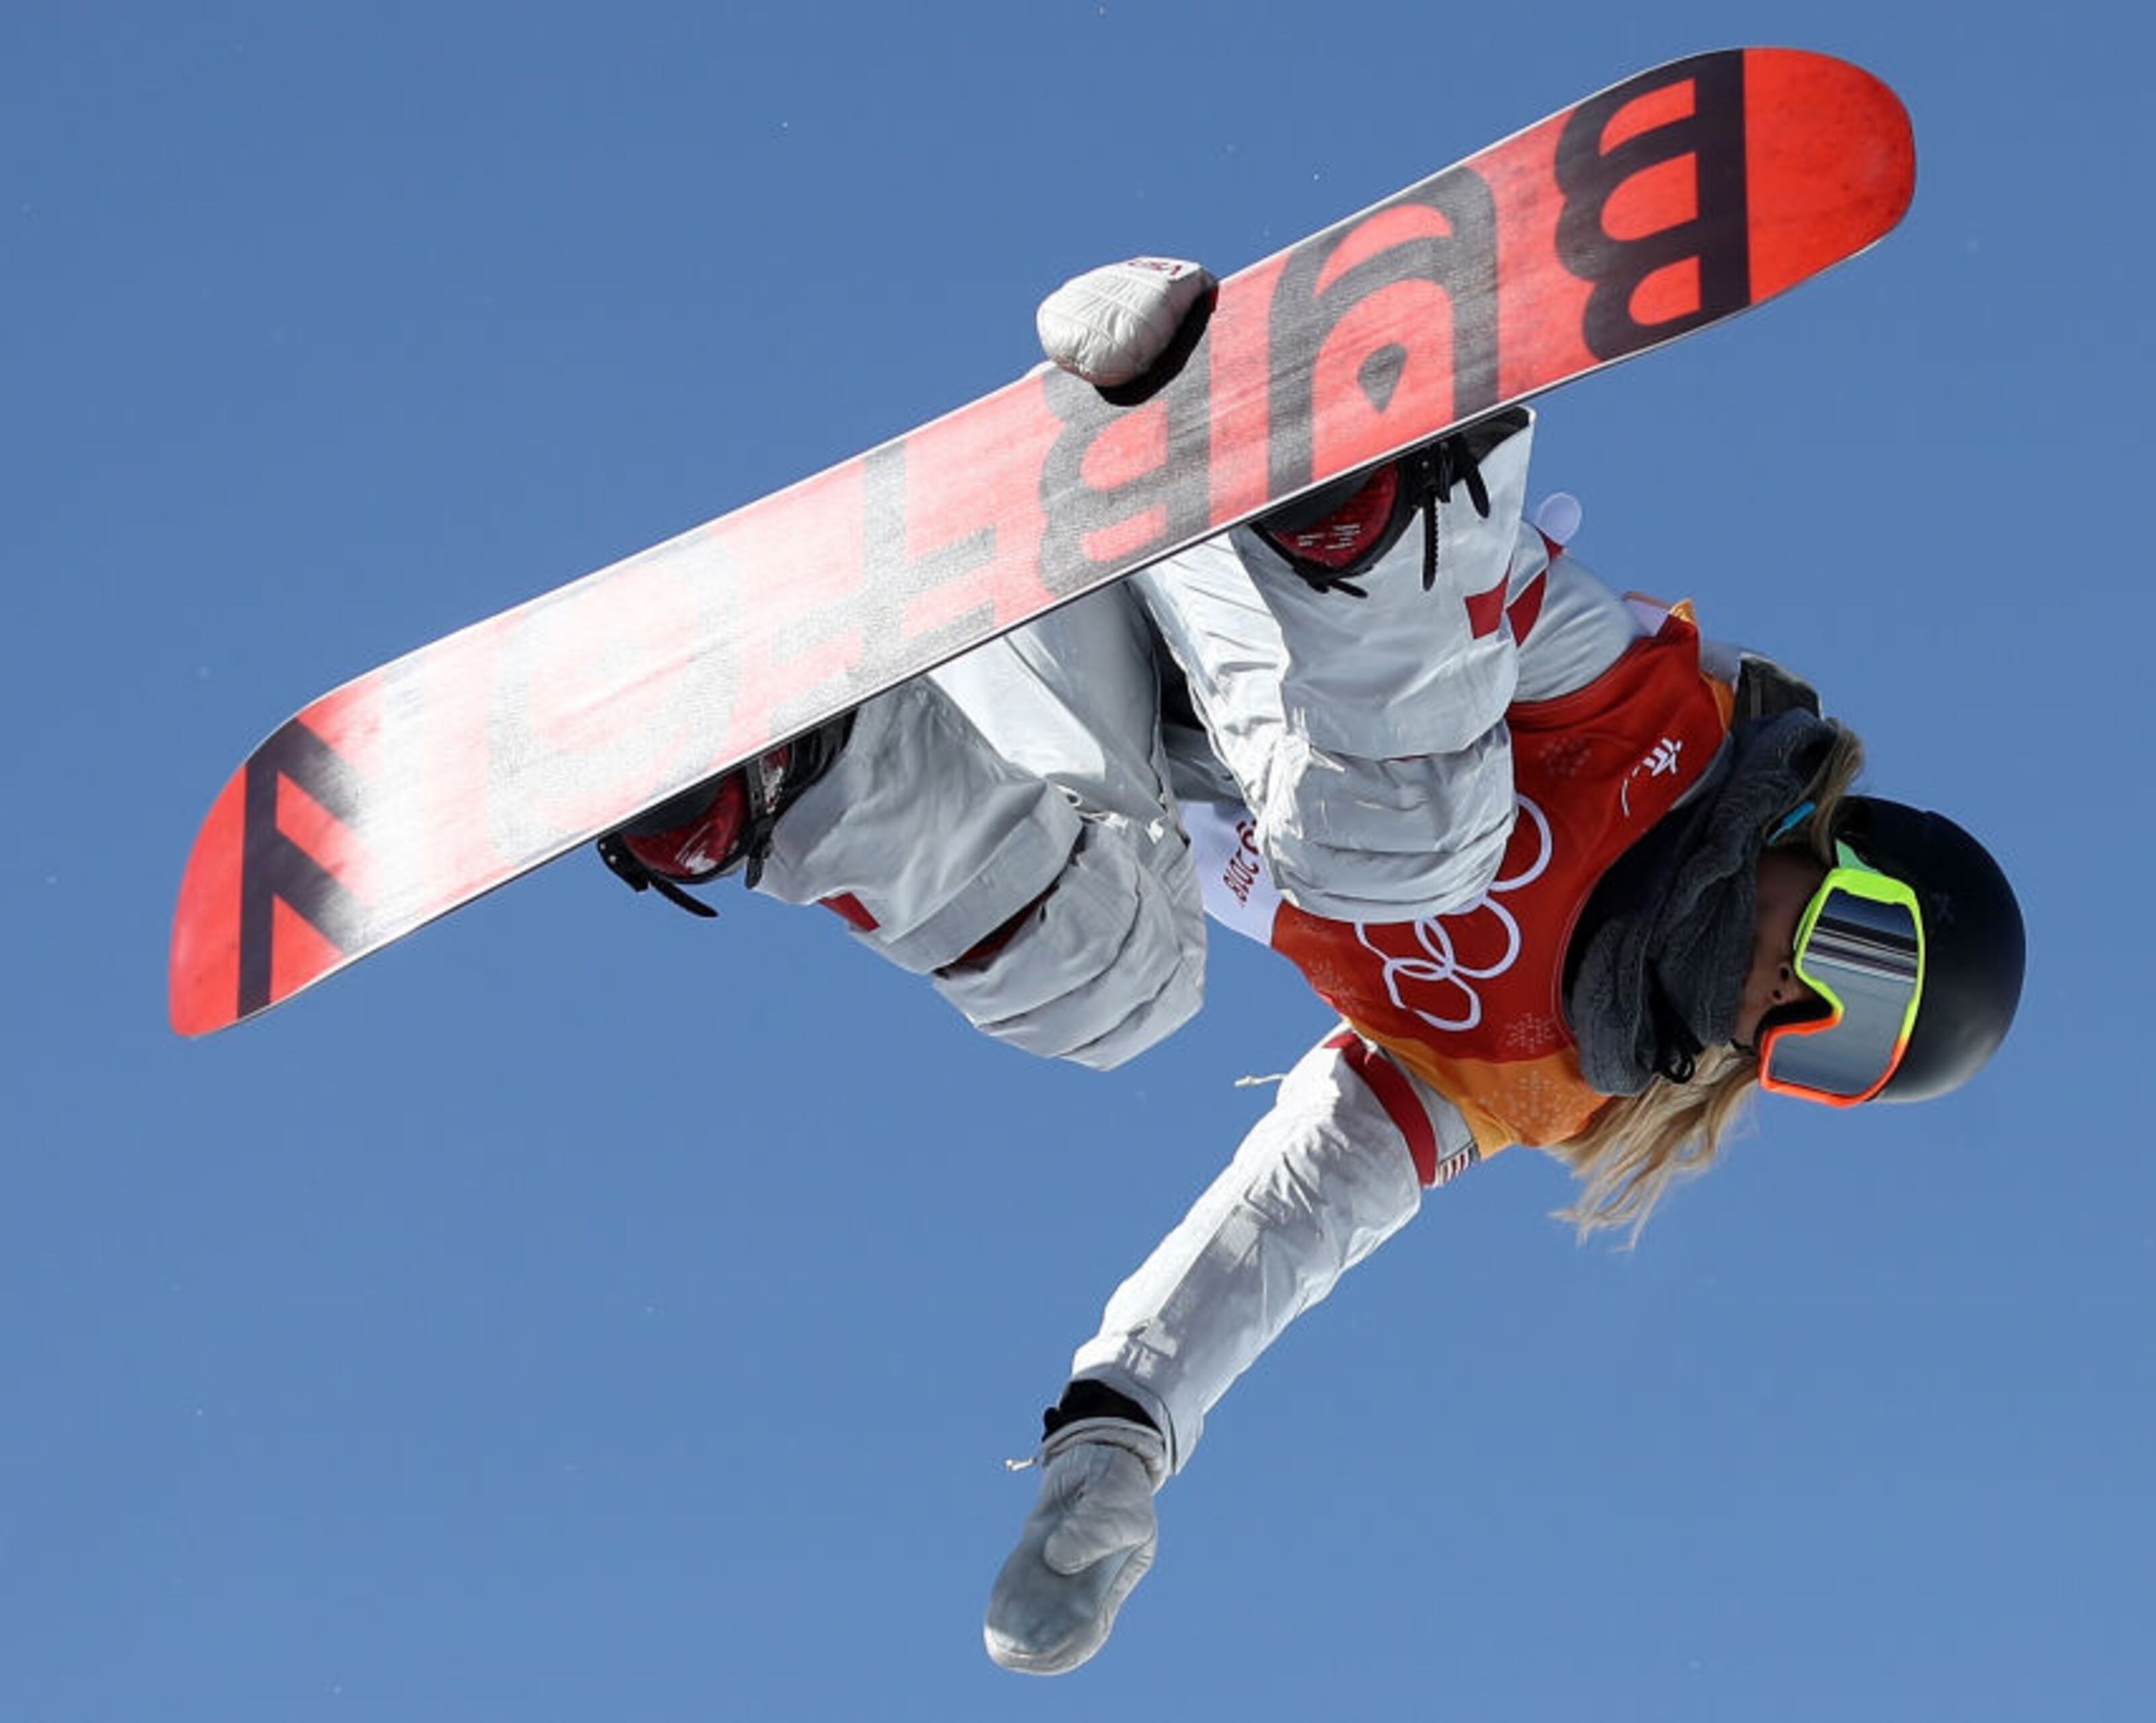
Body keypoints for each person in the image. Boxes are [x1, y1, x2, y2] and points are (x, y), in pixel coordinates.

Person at [595, 259, 2026, 1673]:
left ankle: (786, 775)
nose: (1797, 1006)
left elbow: (1292, 1217)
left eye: (1828, 1056)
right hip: (1228, 541)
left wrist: (1125, 1424)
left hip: (1069, 671)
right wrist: (1397, 452)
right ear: (1835, 840)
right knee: (1415, 848)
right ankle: (1338, 486)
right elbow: (1514, 594)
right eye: (1858, 957)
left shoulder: (1536, 1077)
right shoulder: (1678, 733)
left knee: (1117, 1001)